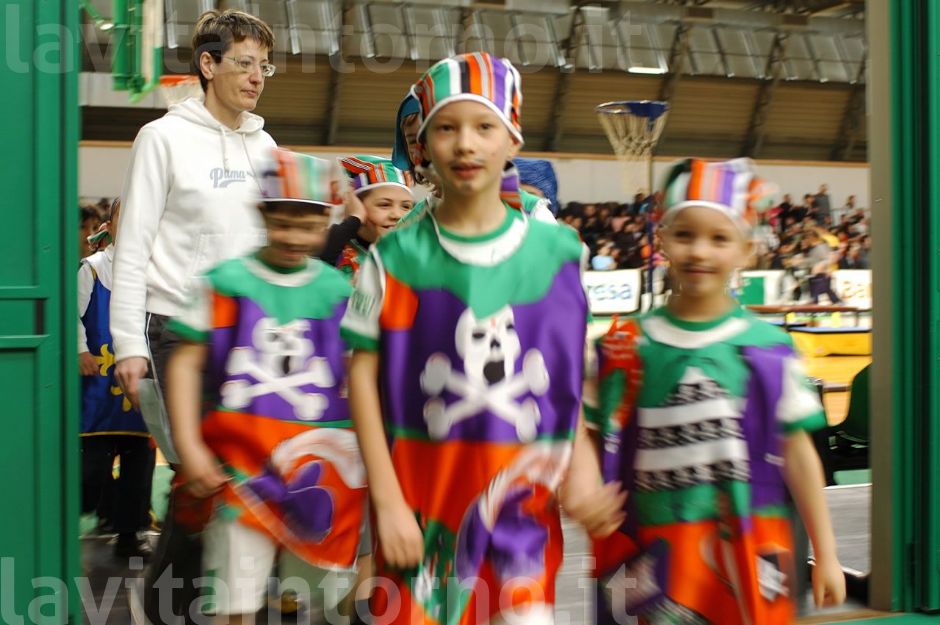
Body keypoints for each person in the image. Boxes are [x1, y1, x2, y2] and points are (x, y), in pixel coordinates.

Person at [341, 52, 623, 625]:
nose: (466, 143)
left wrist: (583, 464)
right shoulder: (392, 258)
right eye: (447, 127)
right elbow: (361, 381)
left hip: (522, 512)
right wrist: (388, 504)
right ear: (424, 142)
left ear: (512, 139)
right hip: (422, 509)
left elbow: (568, 375)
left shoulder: (559, 254)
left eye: (484, 126)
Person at [591, 158, 846, 624]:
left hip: (747, 553)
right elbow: (591, 428)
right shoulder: (626, 343)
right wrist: (588, 488)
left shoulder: (769, 349)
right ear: (663, 239)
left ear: (747, 250)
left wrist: (826, 551)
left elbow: (798, 454)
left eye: (719, 238)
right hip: (651, 552)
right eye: (685, 235)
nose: (700, 252)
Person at [109, 9, 278, 623]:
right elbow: (133, 248)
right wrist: (128, 341)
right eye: (244, 63)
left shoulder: (265, 144)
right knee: (202, 475)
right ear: (207, 65)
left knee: (240, 475)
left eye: (264, 65)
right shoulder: (163, 138)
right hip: (176, 329)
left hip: (251, 334)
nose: (257, 76)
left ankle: (232, 604)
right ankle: (163, 604)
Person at [167, 149, 366, 625]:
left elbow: (359, 374)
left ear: (329, 221)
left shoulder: (339, 292)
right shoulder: (225, 283)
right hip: (240, 469)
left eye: (308, 225)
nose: (294, 238)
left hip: (321, 471)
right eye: (283, 223)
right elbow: (184, 364)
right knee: (234, 595)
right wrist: (191, 449)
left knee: (317, 591)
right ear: (262, 214)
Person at [79, 199, 156, 560]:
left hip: (138, 384)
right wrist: (80, 349)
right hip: (98, 384)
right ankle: (93, 509)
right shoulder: (92, 269)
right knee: (90, 467)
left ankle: (129, 535)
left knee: (138, 468)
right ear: (110, 224)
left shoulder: (154, 271)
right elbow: (71, 314)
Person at [335, 155, 414, 278]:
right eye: (384, 205)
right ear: (356, 206)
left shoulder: (419, 259)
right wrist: (354, 219)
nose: (397, 215)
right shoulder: (334, 255)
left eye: (406, 206)